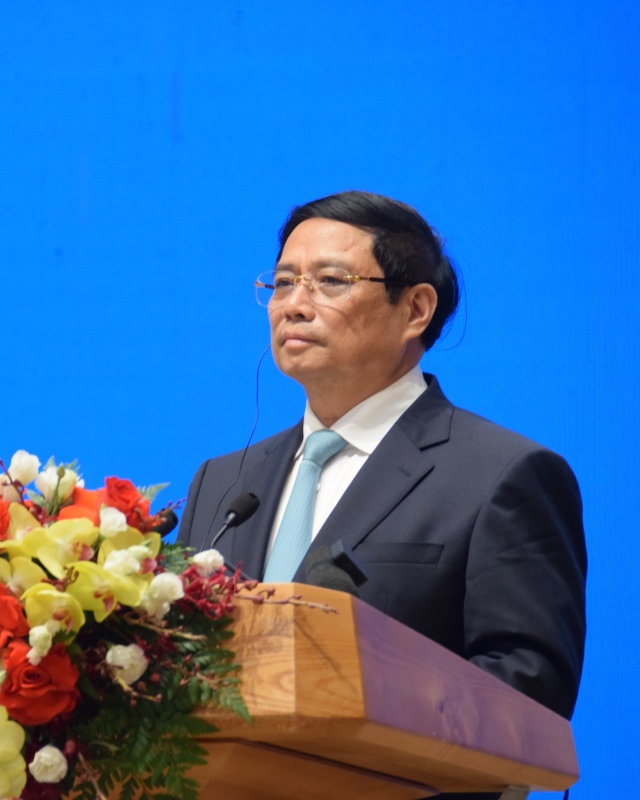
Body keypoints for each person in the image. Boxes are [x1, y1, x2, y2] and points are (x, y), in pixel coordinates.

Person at [176, 191, 586, 797]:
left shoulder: (502, 474)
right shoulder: (223, 483)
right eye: (283, 283)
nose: (294, 305)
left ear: (416, 309)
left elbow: (529, 691)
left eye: (330, 282)